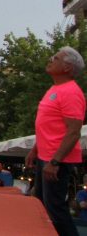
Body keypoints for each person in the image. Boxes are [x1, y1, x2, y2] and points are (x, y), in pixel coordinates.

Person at [24, 46, 86, 236]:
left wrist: (55, 161)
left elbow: (73, 132)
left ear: (67, 68)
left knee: (55, 210)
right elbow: (49, 127)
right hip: (47, 156)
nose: (50, 59)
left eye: (56, 58)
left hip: (57, 160)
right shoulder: (55, 88)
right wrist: (35, 149)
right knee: (42, 206)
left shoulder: (71, 92)